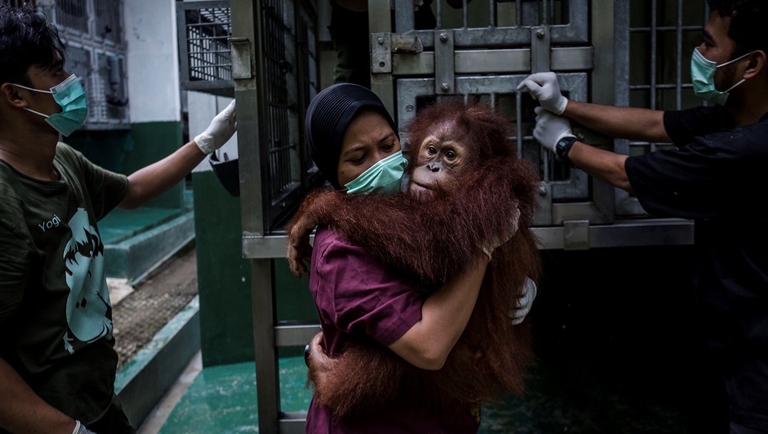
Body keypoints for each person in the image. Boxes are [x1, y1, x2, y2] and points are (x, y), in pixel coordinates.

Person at [517, 0, 768, 432]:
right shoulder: (741, 115)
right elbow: (656, 124)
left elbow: (631, 175)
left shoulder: (746, 148)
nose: (699, 53)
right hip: (733, 334)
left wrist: (564, 146)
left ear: (752, 64)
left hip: (758, 354)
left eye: (709, 44)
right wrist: (565, 106)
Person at [0, 5, 236, 434]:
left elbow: (133, 190)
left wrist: (207, 140)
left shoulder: (62, 159)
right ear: (15, 95)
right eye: (54, 73)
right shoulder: (6, 201)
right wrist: (64, 430)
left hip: (95, 404)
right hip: (54, 420)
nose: (71, 83)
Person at [293, 83, 536, 433]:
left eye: (388, 146)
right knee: (372, 368)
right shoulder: (346, 244)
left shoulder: (489, 193)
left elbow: (427, 250)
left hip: (455, 382)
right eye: (431, 151)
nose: (432, 168)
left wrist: (325, 205)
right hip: (390, 418)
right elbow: (408, 246)